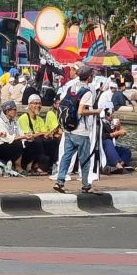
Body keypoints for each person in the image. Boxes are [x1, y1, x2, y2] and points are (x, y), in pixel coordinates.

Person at [53, 65, 103, 194]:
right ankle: (86, 185)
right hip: (81, 130)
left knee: (66, 155)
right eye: (92, 75)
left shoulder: (71, 87)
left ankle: (60, 181)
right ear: (89, 77)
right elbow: (81, 111)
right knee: (84, 158)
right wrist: (96, 111)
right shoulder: (87, 91)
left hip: (68, 129)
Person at [16, 95, 54, 175]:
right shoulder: (24, 118)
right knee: (37, 140)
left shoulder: (39, 119)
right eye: (35, 103)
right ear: (29, 105)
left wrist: (48, 134)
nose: (38, 106)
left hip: (37, 142)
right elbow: (28, 135)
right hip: (26, 143)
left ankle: (51, 164)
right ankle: (34, 165)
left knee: (52, 141)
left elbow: (44, 133)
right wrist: (42, 133)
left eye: (39, 104)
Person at [0, 100, 29, 172]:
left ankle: (28, 166)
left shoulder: (14, 120)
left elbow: (21, 133)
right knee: (18, 143)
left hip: (9, 144)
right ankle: (18, 166)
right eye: (14, 110)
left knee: (30, 143)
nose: (16, 111)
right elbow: (7, 138)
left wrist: (27, 137)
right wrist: (23, 137)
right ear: (7, 111)